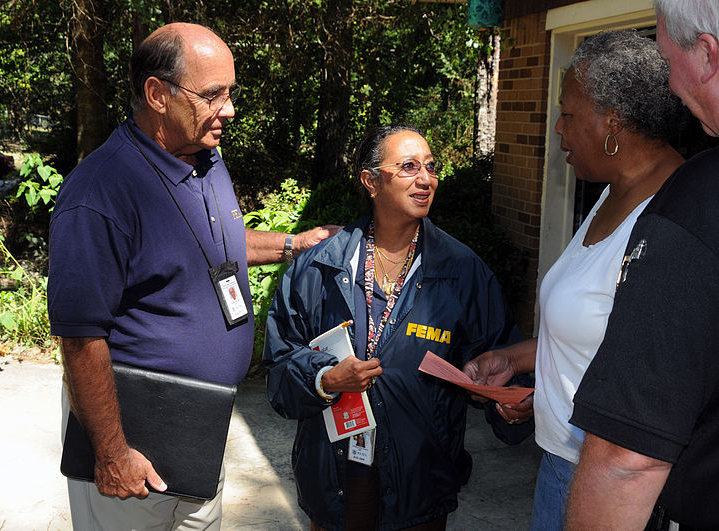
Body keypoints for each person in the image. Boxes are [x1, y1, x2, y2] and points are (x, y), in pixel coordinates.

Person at [47, 23, 337, 531]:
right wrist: (113, 453)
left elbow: (210, 246)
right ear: (157, 94)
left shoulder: (205, 158)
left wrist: (294, 243)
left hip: (199, 435)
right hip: (133, 450)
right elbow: (79, 338)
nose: (229, 110)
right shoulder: (100, 194)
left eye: (231, 93)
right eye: (212, 95)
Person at [462, 30, 686, 530]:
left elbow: (660, 379)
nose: (558, 128)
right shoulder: (611, 195)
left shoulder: (673, 222)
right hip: (562, 460)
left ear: (614, 123)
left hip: (613, 486)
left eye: (568, 112)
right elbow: (597, 333)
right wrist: (516, 361)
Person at [263, 124, 530, 530]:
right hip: (335, 478)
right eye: (408, 167)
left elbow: (501, 362)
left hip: (420, 482)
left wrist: (509, 406)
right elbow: (280, 375)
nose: (425, 179)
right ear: (371, 181)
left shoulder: (462, 272)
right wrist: (325, 380)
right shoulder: (318, 268)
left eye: (430, 166)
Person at [566, 2, 719, 529]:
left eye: (667, 57)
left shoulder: (689, 211)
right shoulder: (607, 203)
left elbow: (626, 462)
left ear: (706, 56)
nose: (670, 84)